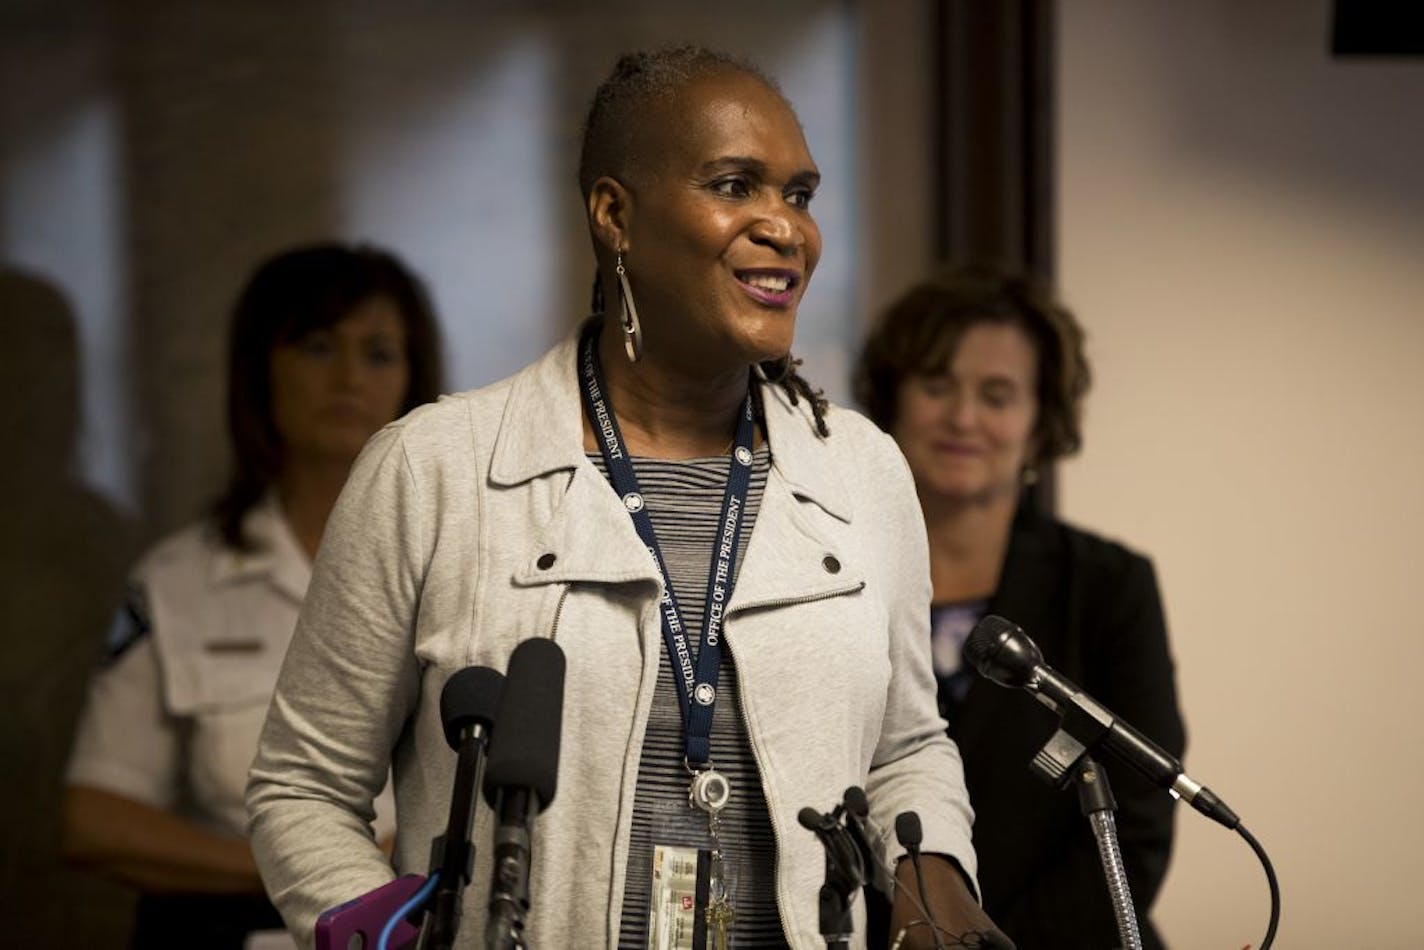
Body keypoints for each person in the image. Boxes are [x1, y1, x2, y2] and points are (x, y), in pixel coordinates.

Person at [247, 48, 1008, 950]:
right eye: (735, 185)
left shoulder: (863, 471)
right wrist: (383, 937)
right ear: (615, 215)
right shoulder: (432, 469)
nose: (784, 229)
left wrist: (933, 886)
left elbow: (906, 749)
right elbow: (302, 788)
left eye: (798, 195)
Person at [62, 243, 445, 948]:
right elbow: (95, 818)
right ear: (260, 371)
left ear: (415, 380)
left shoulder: (469, 570)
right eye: (317, 345)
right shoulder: (179, 581)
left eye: (379, 352)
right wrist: (307, 862)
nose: (349, 377)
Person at [853, 266, 1187, 948]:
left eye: (997, 395)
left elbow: (1138, 821)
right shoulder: (834, 575)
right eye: (937, 385)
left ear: (1040, 426)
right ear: (893, 401)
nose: (963, 417)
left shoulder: (1108, 586)